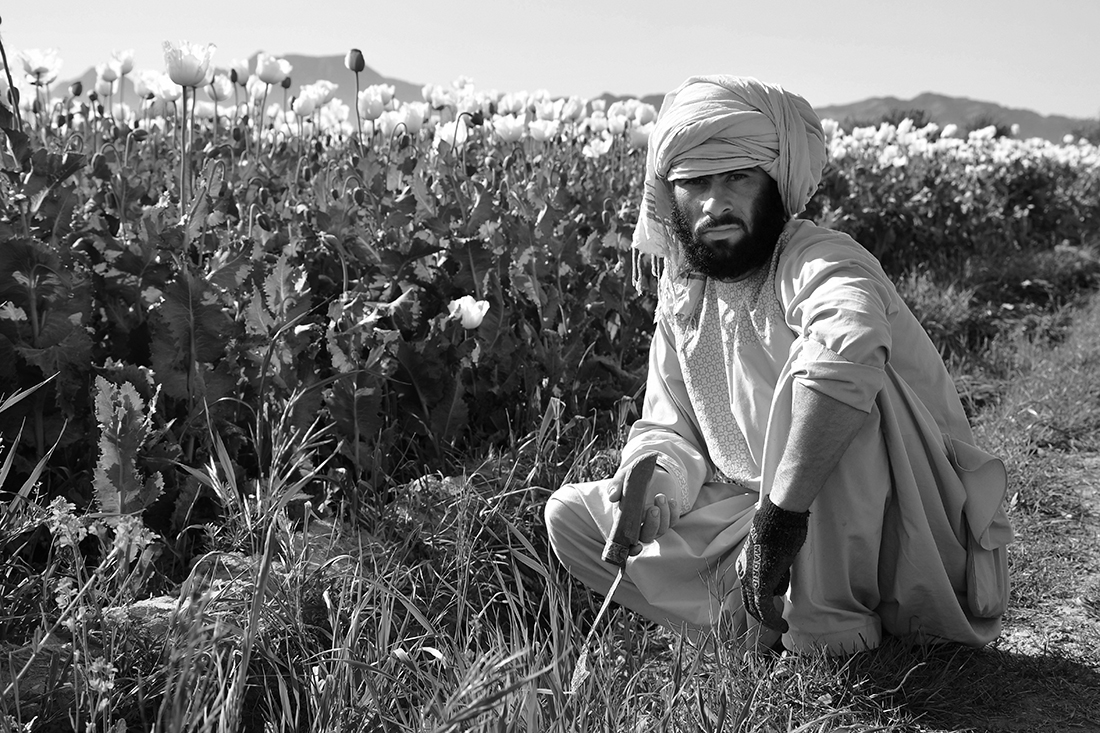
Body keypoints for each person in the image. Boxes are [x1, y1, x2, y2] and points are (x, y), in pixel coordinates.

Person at [543, 75, 1014, 655]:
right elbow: (670, 427)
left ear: (774, 184)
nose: (715, 204)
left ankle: (831, 626)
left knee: (827, 394)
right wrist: (660, 482)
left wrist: (781, 520)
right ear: (672, 194)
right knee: (570, 517)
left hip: (892, 524)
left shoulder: (818, 257)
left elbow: (850, 341)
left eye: (737, 177)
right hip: (757, 513)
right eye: (696, 182)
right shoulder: (684, 291)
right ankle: (753, 624)